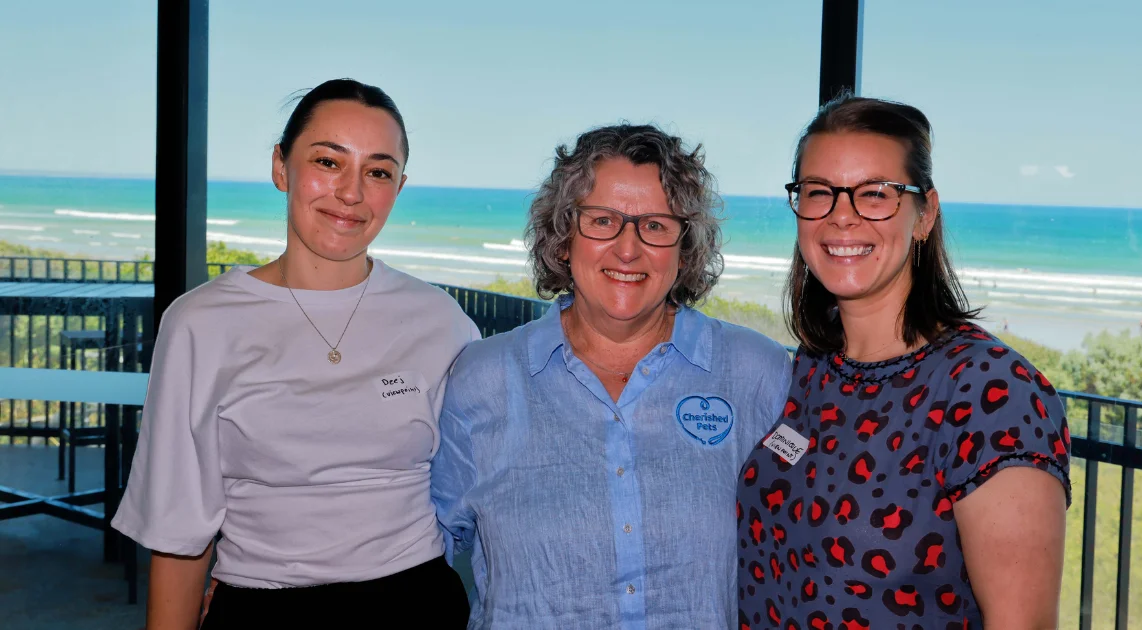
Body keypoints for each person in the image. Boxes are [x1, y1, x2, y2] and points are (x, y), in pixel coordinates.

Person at [112, 78, 477, 629]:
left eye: (378, 172)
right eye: (328, 162)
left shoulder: (439, 319)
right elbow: (179, 530)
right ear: (281, 167)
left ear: (398, 188)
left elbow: (484, 483)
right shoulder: (201, 323)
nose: (351, 192)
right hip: (264, 607)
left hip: (416, 605)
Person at [431, 124, 794, 628]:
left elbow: (802, 544)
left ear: (684, 248)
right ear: (563, 238)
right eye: (602, 220)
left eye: (656, 225)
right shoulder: (483, 379)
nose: (628, 249)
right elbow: (426, 552)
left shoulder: (758, 373)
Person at [736, 94, 1071, 629]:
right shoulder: (807, 371)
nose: (841, 217)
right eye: (818, 192)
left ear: (925, 214)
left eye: (875, 194)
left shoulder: (991, 392)